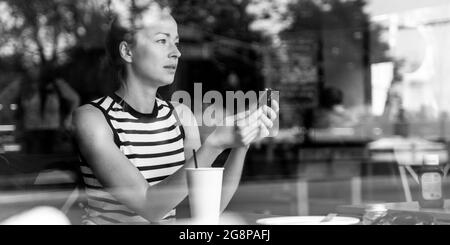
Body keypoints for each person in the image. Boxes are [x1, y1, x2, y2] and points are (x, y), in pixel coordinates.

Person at [72, 3, 278, 225]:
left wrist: (241, 142)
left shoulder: (180, 116)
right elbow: (149, 206)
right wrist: (214, 144)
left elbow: (207, 208)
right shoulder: (93, 119)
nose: (176, 52)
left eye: (176, 42)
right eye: (162, 41)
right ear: (127, 51)